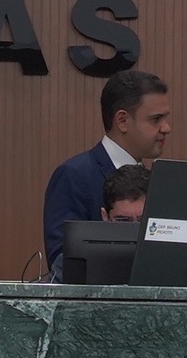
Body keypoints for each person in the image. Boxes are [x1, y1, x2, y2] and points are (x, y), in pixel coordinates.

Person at [40, 68, 171, 276]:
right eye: (156, 119)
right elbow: (64, 263)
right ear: (122, 121)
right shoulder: (74, 175)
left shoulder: (158, 182)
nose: (166, 128)